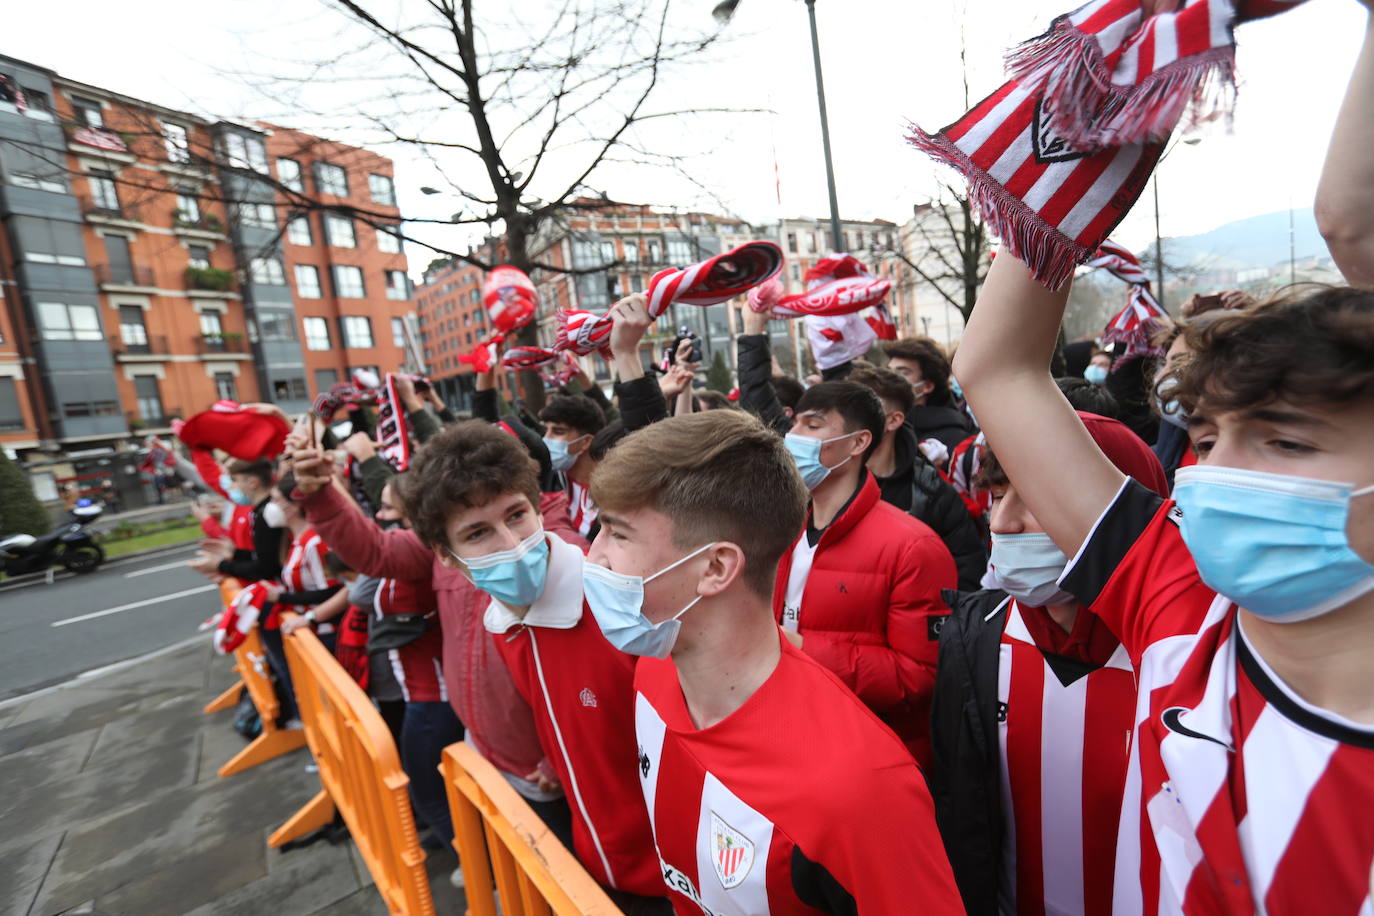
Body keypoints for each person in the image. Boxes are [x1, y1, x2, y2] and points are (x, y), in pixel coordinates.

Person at [952, 218, 1374, 916]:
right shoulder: (1181, 598)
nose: (1221, 473)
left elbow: (1346, 210)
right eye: (1206, 440)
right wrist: (1053, 193)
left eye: (1287, 442)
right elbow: (995, 369)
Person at [584, 409, 964, 915]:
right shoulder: (653, 671)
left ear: (716, 567)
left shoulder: (863, 790)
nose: (593, 557)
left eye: (618, 534)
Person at [410, 421, 667, 912]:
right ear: (448, 557)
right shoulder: (504, 622)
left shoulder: (622, 607)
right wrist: (555, 755)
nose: (512, 542)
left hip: (675, 878)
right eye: (479, 532)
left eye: (517, 515)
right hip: (595, 864)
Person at [931, 413, 1168, 916]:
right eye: (996, 496)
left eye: (1034, 497)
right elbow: (961, 811)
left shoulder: (1179, 652)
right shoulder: (973, 638)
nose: (1001, 522)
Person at [776, 380, 957, 769]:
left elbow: (921, 676)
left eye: (813, 425)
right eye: (794, 425)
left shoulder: (912, 547)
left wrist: (804, 649)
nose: (793, 438)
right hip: (791, 737)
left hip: (870, 758)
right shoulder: (779, 532)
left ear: (858, 443)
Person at [848, 365, 988, 590]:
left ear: (893, 420)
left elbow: (966, 572)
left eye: (864, 407)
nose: (850, 417)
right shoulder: (830, 484)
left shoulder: (932, 491)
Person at [882, 337, 975, 462]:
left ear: (928, 386)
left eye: (902, 373)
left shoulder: (954, 439)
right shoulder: (885, 429)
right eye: (888, 371)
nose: (889, 379)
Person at [539, 394, 607, 541]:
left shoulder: (612, 492)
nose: (546, 439)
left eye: (558, 432)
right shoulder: (548, 480)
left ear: (586, 441)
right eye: (546, 430)